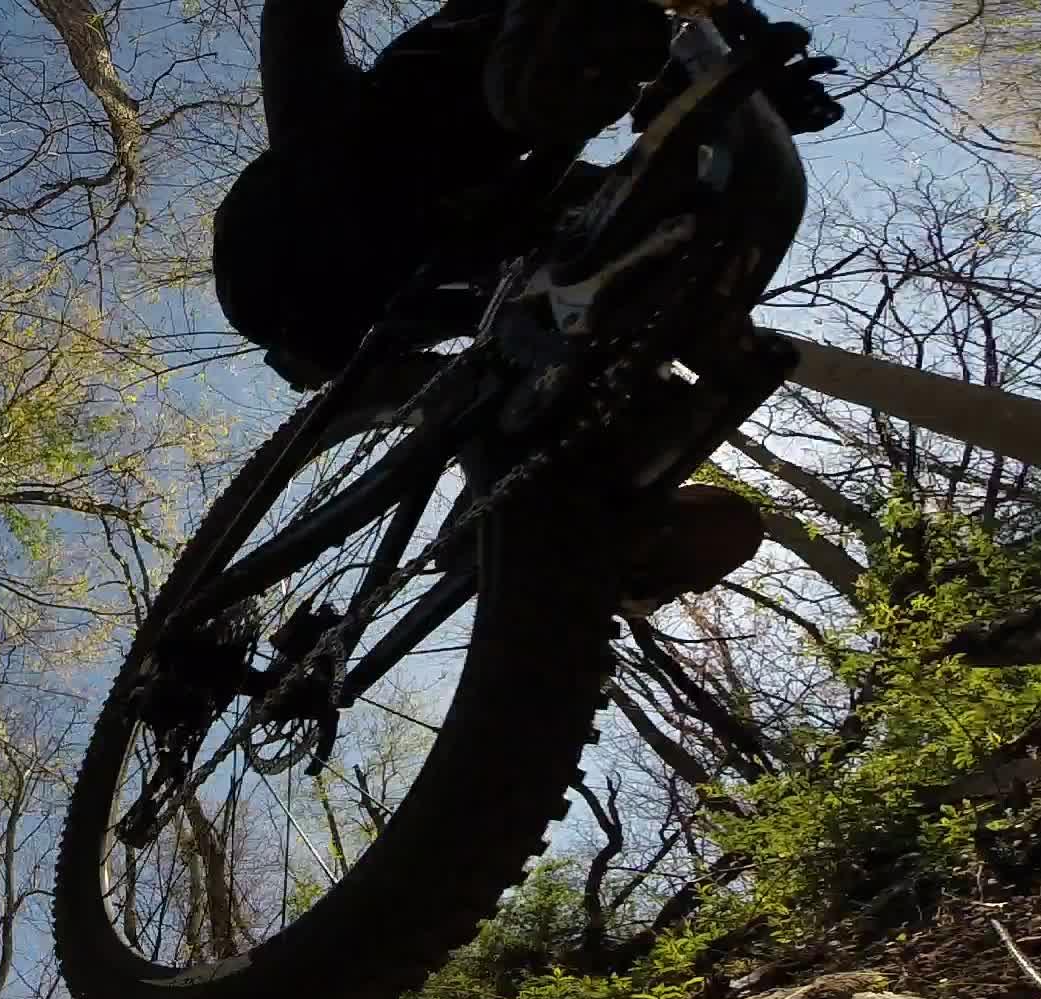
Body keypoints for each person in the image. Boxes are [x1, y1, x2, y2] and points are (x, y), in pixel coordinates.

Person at [211, 0, 834, 609]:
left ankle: (547, 510)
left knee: (605, 236)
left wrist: (729, 109)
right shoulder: (361, 118)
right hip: (304, 243)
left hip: (423, 261)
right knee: (420, 122)